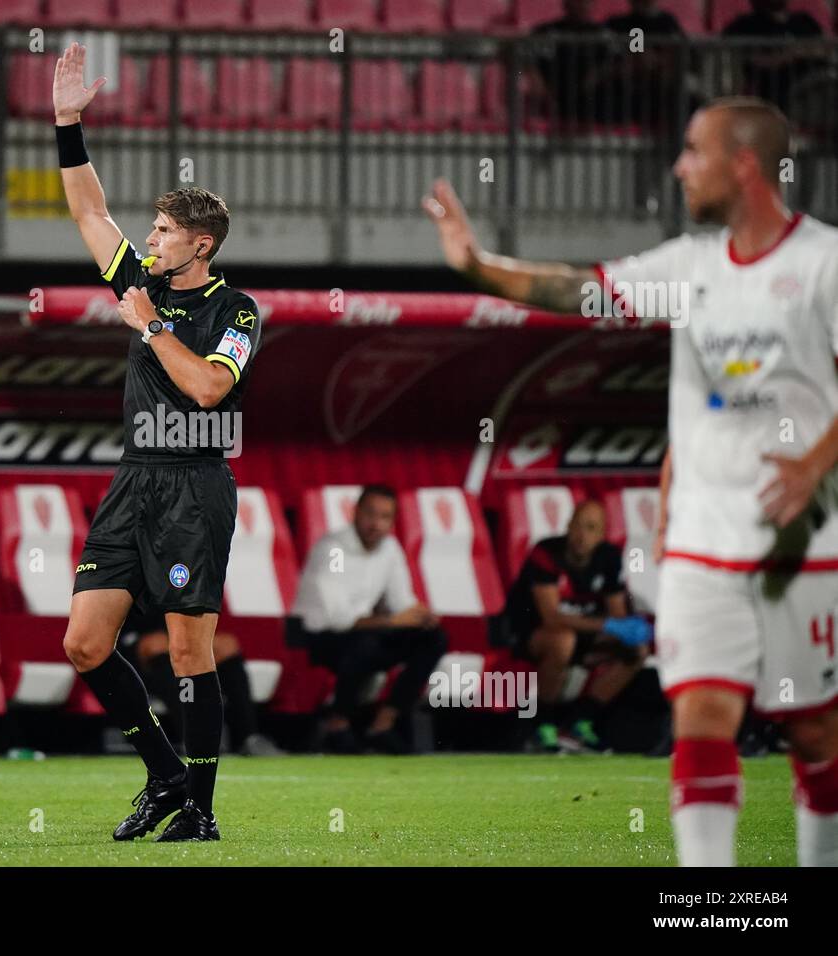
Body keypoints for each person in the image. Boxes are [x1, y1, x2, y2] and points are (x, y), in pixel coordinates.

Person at [425, 96, 838, 866]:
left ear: (743, 164)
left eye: (691, 149)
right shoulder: (688, 270)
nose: (678, 165)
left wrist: (814, 463)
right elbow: (581, 293)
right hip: (700, 545)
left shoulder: (822, 264)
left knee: (813, 729)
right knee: (704, 716)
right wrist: (479, 266)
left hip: (800, 544)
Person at [53, 43, 263, 842]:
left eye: (165, 230)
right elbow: (86, 212)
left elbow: (211, 388)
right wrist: (69, 122)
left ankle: (201, 813)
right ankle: (167, 777)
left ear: (200, 245)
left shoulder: (235, 311)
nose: (151, 238)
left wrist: (148, 330)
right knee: (83, 641)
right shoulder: (137, 278)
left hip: (194, 484)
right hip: (134, 478)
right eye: (153, 228)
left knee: (186, 652)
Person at [289, 485, 447, 755]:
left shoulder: (390, 549)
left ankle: (383, 724)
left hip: (365, 631)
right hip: (318, 637)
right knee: (364, 644)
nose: (376, 523)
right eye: (371, 514)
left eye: (385, 517)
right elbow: (338, 619)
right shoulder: (334, 550)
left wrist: (420, 616)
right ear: (356, 513)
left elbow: (401, 601)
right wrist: (394, 621)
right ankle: (337, 725)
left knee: (432, 638)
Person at [504, 499, 652, 752]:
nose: (583, 535)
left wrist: (628, 628)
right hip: (528, 634)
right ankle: (543, 726)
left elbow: (616, 613)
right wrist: (609, 625)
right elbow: (551, 616)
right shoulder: (546, 552)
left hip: (582, 633)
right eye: (579, 526)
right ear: (568, 526)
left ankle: (579, 723)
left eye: (592, 528)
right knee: (563, 640)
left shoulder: (609, 557)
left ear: (602, 534)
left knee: (636, 651)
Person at [124, 610, 285, 757]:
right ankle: (193, 737)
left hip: (175, 634)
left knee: (227, 644)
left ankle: (248, 737)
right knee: (159, 645)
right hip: (128, 641)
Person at [530, 0, 612, 125]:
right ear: (565, 3)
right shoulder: (545, 31)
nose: (581, 5)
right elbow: (526, 60)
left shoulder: (604, 34)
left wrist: (599, 74)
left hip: (592, 100)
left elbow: (617, 62)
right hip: (551, 97)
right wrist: (536, 79)